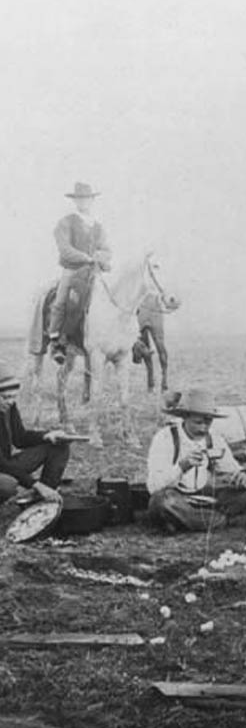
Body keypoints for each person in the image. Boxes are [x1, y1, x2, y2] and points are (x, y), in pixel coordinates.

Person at [146, 386, 246, 533]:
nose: (203, 428)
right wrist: (182, 467)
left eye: (208, 422)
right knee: (162, 502)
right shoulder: (165, 438)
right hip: (176, 497)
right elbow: (154, 486)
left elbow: (231, 467)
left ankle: (183, 521)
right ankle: (223, 521)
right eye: (198, 422)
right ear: (185, 417)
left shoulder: (214, 438)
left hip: (205, 498)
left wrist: (242, 475)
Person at [48, 182, 112, 364]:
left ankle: (130, 340)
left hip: (94, 271)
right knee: (61, 302)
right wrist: (87, 257)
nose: (84, 202)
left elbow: (107, 249)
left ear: (92, 200)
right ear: (75, 200)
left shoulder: (98, 226)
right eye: (80, 199)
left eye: (87, 198)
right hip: (72, 270)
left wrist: (102, 256)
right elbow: (65, 249)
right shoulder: (66, 222)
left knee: (115, 296)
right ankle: (57, 342)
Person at [0, 362, 70, 504]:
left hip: (4, 464)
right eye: (5, 397)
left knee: (58, 446)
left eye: (13, 397)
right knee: (8, 485)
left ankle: (42, 500)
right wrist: (36, 485)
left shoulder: (8, 406)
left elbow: (20, 438)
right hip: (2, 466)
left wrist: (47, 435)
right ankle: (42, 491)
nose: (10, 402)